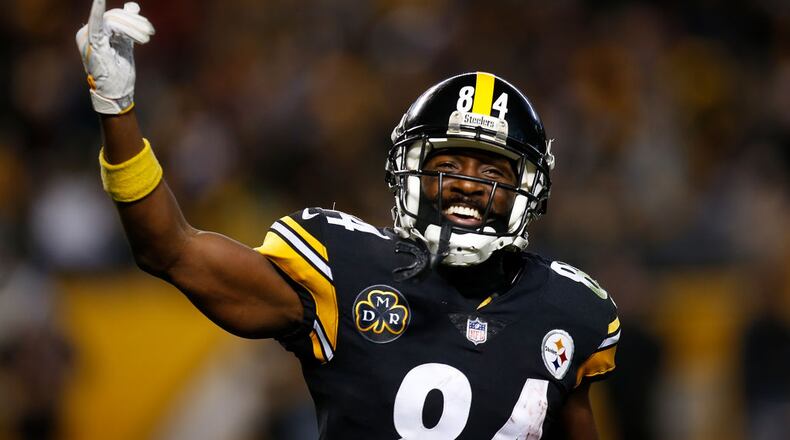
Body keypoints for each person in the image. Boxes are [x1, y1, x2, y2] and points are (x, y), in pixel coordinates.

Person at [75, 1, 620, 439]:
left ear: (528, 188)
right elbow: (169, 250)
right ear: (409, 172)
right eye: (446, 163)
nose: (465, 182)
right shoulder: (346, 269)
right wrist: (117, 110)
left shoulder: (570, 310)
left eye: (492, 170)